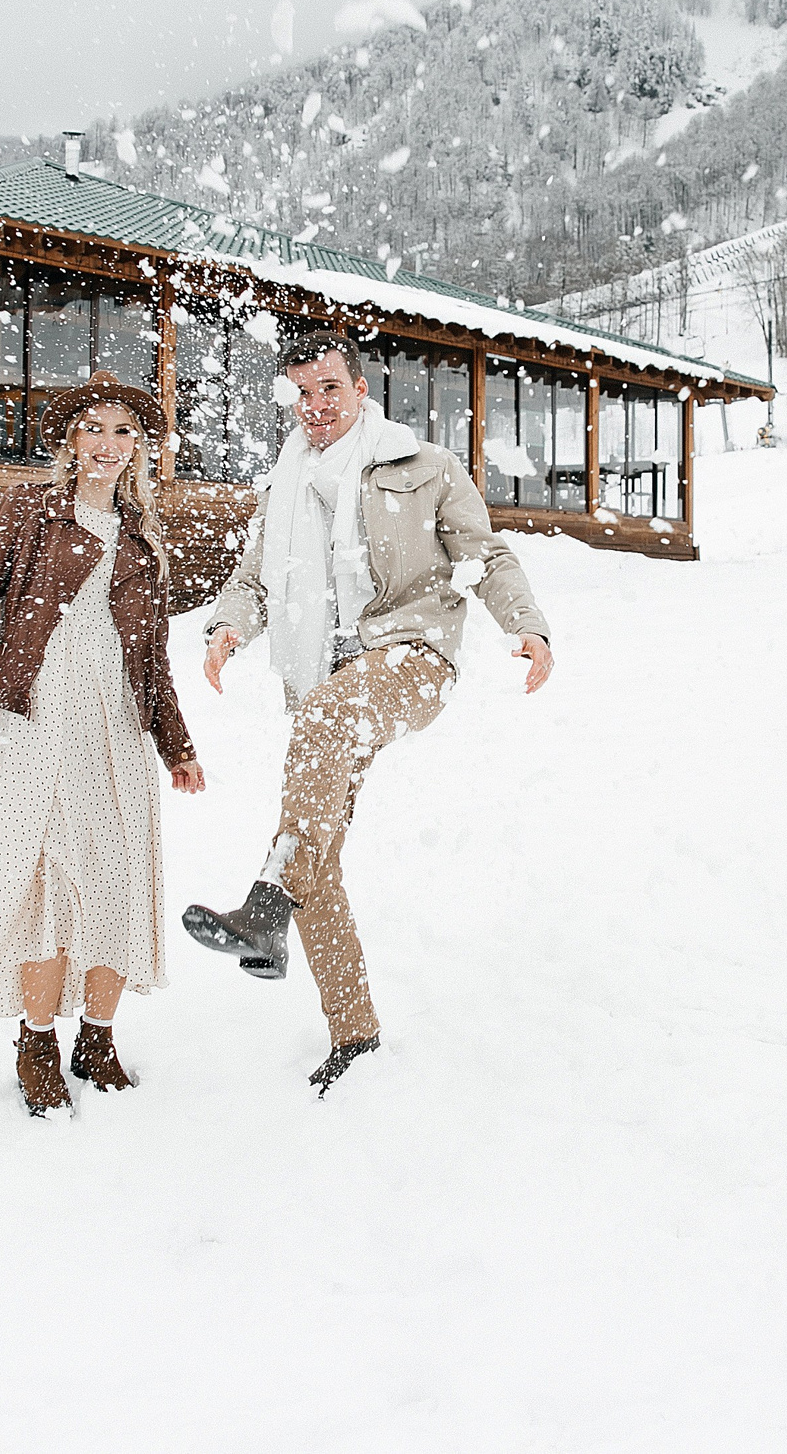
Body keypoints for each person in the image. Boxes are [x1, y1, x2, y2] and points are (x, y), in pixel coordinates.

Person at [183, 329, 552, 1095]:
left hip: (411, 656)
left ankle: (264, 898)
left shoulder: (426, 467)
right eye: (303, 393)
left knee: (323, 723)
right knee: (319, 848)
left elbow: (489, 557)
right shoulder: (283, 485)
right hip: (325, 677)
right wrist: (227, 627)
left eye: (330, 389)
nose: (317, 407)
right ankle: (352, 1029)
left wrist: (527, 625)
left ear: (359, 389)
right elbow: (254, 579)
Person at [0, 371, 205, 1117]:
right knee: (47, 872)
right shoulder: (31, 511)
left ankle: (97, 1035)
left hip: (119, 717)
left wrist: (177, 744)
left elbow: (153, 655)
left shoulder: (140, 535)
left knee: (117, 872)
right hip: (41, 706)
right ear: (70, 439)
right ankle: (36, 1042)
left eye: (123, 431)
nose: (107, 444)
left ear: (139, 448)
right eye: (93, 428)